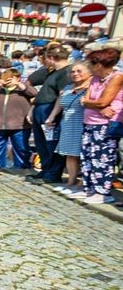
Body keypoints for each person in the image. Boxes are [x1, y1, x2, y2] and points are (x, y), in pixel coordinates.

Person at [76, 43, 123, 204]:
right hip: (89, 121)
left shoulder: (116, 77)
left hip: (106, 124)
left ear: (101, 64)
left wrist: (90, 103)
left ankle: (103, 191)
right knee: (87, 155)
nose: (90, 67)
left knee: (102, 157)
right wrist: (90, 103)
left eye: (92, 64)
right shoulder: (95, 78)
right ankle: (89, 188)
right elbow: (85, 99)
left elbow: (103, 102)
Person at [27, 44, 71, 184]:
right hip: (41, 109)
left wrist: (52, 115)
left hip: (51, 110)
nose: (44, 62)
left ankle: (53, 173)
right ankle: (46, 169)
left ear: (51, 58)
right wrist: (32, 109)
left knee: (51, 143)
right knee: (41, 144)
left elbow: (62, 95)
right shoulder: (53, 72)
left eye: (45, 59)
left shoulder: (66, 72)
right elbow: (43, 93)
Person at [45, 62, 90, 196]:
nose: (75, 74)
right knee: (70, 154)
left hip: (82, 123)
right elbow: (60, 102)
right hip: (67, 123)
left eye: (79, 71)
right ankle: (70, 182)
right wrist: (51, 116)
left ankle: (82, 184)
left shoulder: (91, 87)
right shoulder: (68, 87)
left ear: (89, 72)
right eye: (73, 71)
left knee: (83, 155)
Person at [0, 67, 36, 176]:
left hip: (19, 124)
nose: (7, 80)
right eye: (5, 77)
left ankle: (24, 167)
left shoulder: (23, 89)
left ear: (17, 78)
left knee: (21, 147)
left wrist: (19, 84)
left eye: (10, 78)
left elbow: (34, 93)